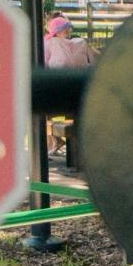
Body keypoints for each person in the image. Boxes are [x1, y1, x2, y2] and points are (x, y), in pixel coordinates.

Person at [42, 15, 95, 165]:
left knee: (43, 113)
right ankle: (58, 142)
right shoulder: (53, 43)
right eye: (64, 29)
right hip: (74, 91)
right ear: (56, 32)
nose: (67, 31)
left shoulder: (54, 43)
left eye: (68, 29)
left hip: (60, 92)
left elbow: (44, 65)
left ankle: (56, 142)